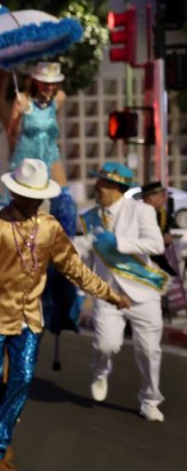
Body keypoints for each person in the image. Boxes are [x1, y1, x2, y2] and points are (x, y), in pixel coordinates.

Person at [0, 159, 128, 471]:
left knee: (22, 380)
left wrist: (110, 294)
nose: (32, 200)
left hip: (29, 320)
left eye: (37, 195)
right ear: (15, 193)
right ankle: (0, 437)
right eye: (27, 194)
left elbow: (76, 270)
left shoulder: (50, 228)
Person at [77, 164, 168, 422]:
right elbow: (86, 256)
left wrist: (119, 243)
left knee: (149, 351)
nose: (96, 187)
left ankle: (150, 400)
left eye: (102, 183)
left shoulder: (141, 211)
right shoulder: (89, 216)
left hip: (143, 291)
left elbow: (156, 244)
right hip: (108, 293)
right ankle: (100, 372)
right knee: (106, 345)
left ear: (116, 188)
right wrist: (78, 291)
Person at [8, 62, 66, 181]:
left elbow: (52, 122)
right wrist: (19, 116)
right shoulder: (23, 99)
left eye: (53, 83)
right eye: (45, 83)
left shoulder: (60, 98)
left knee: (61, 195)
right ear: (36, 81)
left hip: (50, 156)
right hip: (27, 158)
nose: (50, 87)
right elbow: (11, 133)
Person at [138, 181, 177, 277]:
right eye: (162, 196)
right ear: (151, 197)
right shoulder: (138, 213)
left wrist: (167, 240)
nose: (164, 199)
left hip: (159, 260)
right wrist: (161, 240)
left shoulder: (161, 213)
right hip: (143, 262)